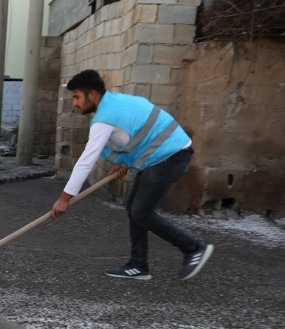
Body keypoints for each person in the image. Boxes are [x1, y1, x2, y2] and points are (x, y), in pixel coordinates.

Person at [51, 69, 213, 281]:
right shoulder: (116, 102)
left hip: (170, 157)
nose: (74, 103)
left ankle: (193, 249)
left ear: (92, 94)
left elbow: (86, 162)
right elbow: (136, 131)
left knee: (141, 212)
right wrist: (122, 161)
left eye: (76, 97)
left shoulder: (104, 119)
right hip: (165, 155)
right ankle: (138, 265)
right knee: (133, 207)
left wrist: (64, 198)